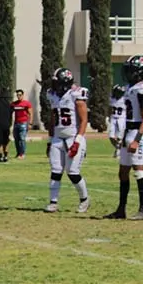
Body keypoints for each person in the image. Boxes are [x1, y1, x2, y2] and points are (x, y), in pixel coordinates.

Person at [104, 55, 143, 221]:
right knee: (123, 172)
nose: (128, 73)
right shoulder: (129, 88)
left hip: (136, 132)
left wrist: (136, 139)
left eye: (131, 70)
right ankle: (121, 209)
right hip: (128, 131)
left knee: (138, 170)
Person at [44, 68, 90, 214]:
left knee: (72, 172)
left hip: (73, 137)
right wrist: (50, 139)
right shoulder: (52, 95)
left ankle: (85, 199)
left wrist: (77, 141)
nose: (54, 84)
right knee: (55, 170)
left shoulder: (75, 95)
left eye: (57, 81)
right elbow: (52, 119)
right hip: (57, 138)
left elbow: (84, 120)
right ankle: (53, 202)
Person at [10, 88, 32, 159]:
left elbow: (31, 113)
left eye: (20, 95)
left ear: (23, 95)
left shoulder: (26, 103)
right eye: (17, 95)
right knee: (16, 139)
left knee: (22, 138)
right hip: (16, 123)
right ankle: (18, 153)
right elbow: (9, 112)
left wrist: (30, 123)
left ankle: (22, 154)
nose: (19, 96)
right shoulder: (14, 104)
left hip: (23, 123)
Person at [109, 84, 127, 158]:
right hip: (113, 118)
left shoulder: (124, 100)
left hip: (121, 119)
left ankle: (118, 151)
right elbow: (110, 109)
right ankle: (119, 148)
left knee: (120, 137)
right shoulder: (112, 99)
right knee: (111, 137)